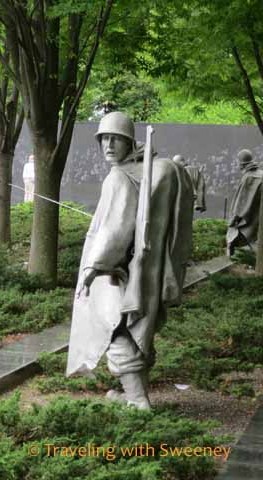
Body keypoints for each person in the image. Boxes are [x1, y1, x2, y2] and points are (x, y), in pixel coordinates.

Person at [66, 111, 194, 410]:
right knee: (136, 331)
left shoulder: (120, 177)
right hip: (142, 270)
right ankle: (134, 395)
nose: (109, 145)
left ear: (129, 142)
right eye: (104, 139)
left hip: (115, 273)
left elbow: (115, 229)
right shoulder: (143, 172)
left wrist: (92, 267)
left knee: (114, 328)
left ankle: (138, 400)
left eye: (116, 139)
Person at [226, 149, 263, 255]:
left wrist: (233, 220)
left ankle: (230, 254)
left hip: (253, 217)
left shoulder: (248, 178)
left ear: (241, 164)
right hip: (259, 214)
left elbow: (241, 204)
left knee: (234, 233)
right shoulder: (261, 173)